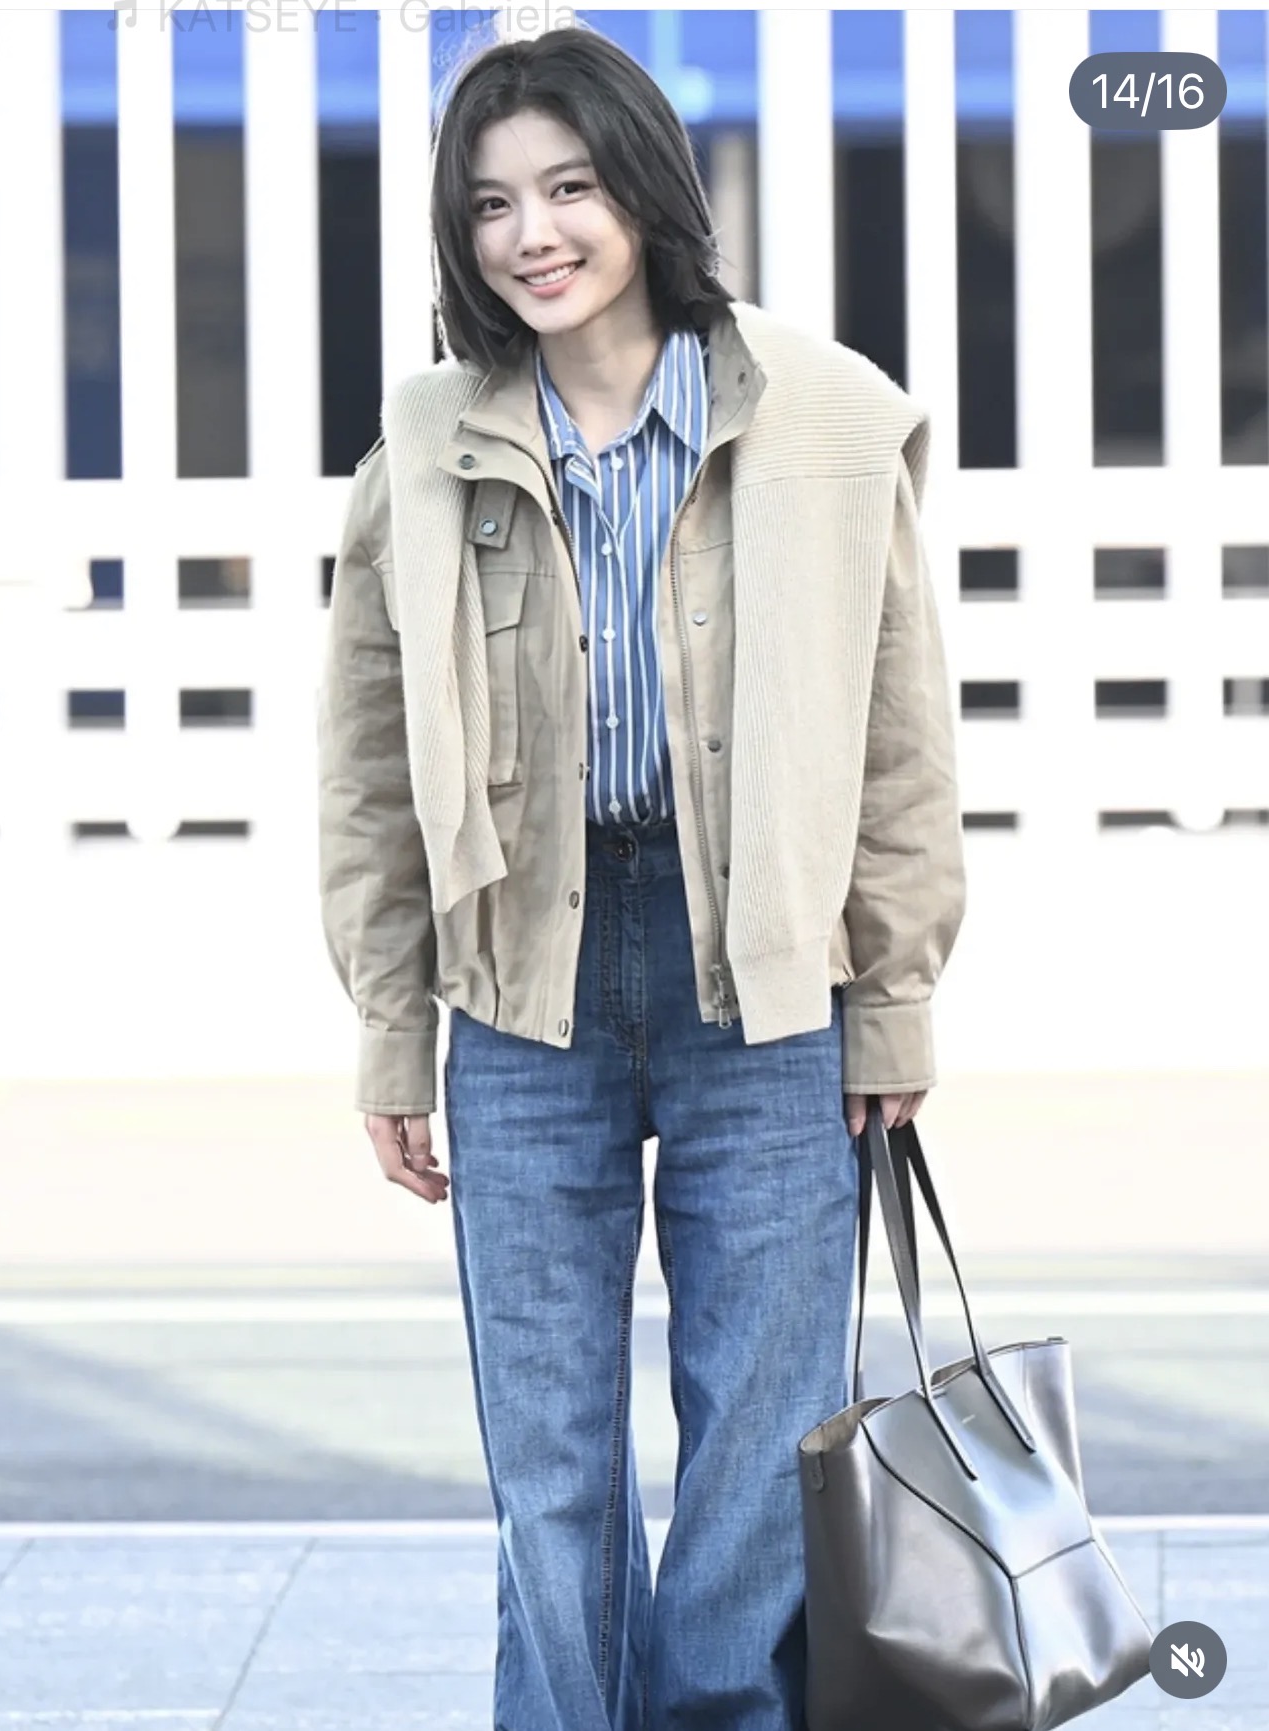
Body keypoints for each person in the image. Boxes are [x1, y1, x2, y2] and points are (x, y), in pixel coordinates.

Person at [317, 23, 964, 1731]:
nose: (531, 234)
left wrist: (894, 1000)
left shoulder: (825, 420)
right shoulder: (425, 446)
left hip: (764, 974)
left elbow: (898, 739)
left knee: (760, 1451)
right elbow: (370, 771)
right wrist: (392, 1031)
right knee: (548, 1464)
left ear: (645, 193)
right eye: (491, 204)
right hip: (520, 987)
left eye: (569, 188)